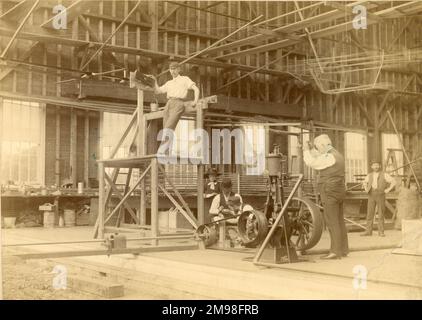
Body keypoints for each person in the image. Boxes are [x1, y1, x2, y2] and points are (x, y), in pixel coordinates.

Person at [303, 134, 349, 260]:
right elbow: (320, 156)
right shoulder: (336, 154)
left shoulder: (329, 157)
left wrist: (306, 151)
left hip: (329, 190)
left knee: (331, 221)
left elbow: (312, 162)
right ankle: (343, 249)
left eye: (319, 147)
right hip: (339, 190)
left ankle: (335, 252)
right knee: (339, 220)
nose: (318, 150)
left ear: (323, 145)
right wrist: (312, 149)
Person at [153, 61, 199, 135]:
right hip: (168, 104)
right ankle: (166, 146)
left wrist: (195, 101)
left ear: (179, 69)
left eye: (174, 69)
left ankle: (162, 147)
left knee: (168, 129)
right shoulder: (169, 83)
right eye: (171, 69)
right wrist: (154, 82)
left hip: (178, 103)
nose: (173, 71)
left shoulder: (185, 79)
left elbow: (196, 89)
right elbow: (158, 91)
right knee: (165, 130)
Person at [361, 159, 396, 237]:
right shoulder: (369, 175)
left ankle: (381, 232)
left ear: (379, 166)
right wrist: (366, 189)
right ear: (371, 166)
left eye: (377, 165)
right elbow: (364, 182)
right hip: (371, 195)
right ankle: (368, 231)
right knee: (370, 214)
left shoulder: (385, 174)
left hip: (380, 195)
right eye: (374, 165)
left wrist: (388, 189)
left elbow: (394, 181)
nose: (376, 166)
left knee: (381, 214)